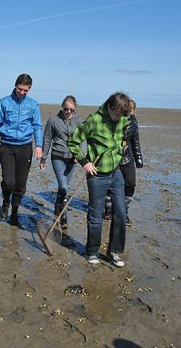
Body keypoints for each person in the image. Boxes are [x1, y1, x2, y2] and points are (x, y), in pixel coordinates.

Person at [68, 92, 130, 267]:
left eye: (122, 115)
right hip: (97, 175)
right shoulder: (94, 120)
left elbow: (126, 132)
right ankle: (92, 251)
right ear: (110, 107)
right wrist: (84, 162)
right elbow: (73, 141)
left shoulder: (123, 120)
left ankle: (114, 252)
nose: (119, 118)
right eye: (117, 114)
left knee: (121, 212)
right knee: (96, 215)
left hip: (116, 173)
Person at [0, 73, 43, 225]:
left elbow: (37, 126)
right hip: (7, 146)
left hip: (25, 147)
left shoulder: (33, 104)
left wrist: (38, 146)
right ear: (15, 85)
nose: (22, 93)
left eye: (26, 90)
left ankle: (15, 211)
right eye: (20, 89)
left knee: (20, 184)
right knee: (8, 181)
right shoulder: (4, 102)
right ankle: (5, 201)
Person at [39, 95, 82, 229]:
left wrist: (80, 156)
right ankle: (63, 217)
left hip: (72, 159)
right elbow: (47, 139)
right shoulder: (53, 120)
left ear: (75, 110)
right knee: (63, 186)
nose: (68, 112)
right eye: (66, 109)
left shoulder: (79, 121)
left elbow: (83, 140)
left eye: (71, 110)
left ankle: (58, 208)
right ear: (62, 107)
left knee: (64, 188)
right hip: (57, 156)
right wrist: (43, 158)